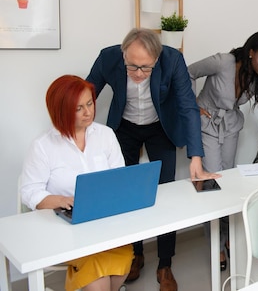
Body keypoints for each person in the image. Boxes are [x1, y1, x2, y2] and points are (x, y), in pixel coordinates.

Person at [86, 28, 219, 291]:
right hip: (124, 128)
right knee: (125, 194)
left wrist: (196, 157)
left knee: (165, 193)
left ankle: (165, 263)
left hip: (161, 128)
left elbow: (188, 106)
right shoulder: (108, 58)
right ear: (123, 55)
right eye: (132, 66)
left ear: (156, 59)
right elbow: (85, 93)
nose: (137, 74)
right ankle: (133, 255)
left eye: (145, 68)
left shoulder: (172, 60)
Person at [187, 31, 258, 270]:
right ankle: (217, 244)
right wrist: (192, 104)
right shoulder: (223, 61)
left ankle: (228, 238)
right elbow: (188, 72)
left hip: (230, 126)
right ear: (251, 52)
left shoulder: (257, 78)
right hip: (207, 123)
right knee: (212, 180)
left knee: (227, 180)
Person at [20, 75, 133, 291]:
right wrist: (61, 200)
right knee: (99, 282)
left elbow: (119, 178)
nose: (88, 112)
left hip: (103, 224)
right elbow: (29, 191)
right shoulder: (43, 146)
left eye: (89, 103)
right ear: (61, 110)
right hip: (65, 228)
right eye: (78, 108)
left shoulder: (105, 135)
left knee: (124, 257)